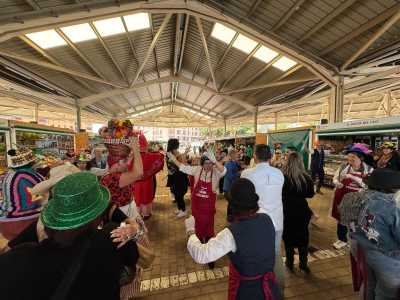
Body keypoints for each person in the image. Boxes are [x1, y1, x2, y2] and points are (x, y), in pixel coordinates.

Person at [0, 172, 140, 300]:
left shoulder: (16, 259)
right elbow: (133, 256)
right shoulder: (111, 236)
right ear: (98, 214)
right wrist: (133, 227)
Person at [185, 178, 281, 300]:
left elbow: (202, 254)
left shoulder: (231, 234)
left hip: (247, 292)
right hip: (271, 288)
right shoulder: (267, 219)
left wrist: (190, 231)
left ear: (233, 206)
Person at [168, 151, 226, 269]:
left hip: (209, 209)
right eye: (206, 163)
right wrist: (173, 158)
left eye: (211, 163)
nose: (209, 166)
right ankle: (198, 252)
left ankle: (209, 257)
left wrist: (215, 161)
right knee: (198, 231)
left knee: (209, 233)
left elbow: (225, 171)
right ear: (202, 163)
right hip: (197, 208)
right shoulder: (197, 170)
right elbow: (182, 167)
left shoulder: (216, 172)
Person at [350, 168, 400, 300]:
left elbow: (351, 227)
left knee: (369, 286)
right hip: (389, 262)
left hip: (366, 253)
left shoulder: (357, 198)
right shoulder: (392, 207)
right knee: (385, 294)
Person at [241, 144, 285, 293]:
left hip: (258, 221)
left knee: (256, 253)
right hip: (277, 221)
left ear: (255, 156)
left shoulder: (247, 173)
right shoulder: (279, 174)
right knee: (276, 254)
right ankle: (278, 290)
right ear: (271, 157)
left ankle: (260, 287)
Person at [332, 143, 373, 250]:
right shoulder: (344, 167)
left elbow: (369, 185)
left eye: (353, 156)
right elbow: (335, 178)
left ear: (361, 158)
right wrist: (337, 183)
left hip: (359, 199)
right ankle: (342, 239)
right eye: (349, 156)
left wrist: (353, 178)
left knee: (356, 220)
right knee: (341, 219)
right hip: (342, 197)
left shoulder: (369, 170)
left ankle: (355, 239)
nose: (350, 158)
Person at [0, 148, 45, 240]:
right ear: (31, 162)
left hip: (5, 220)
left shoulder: (8, 175)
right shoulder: (32, 175)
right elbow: (44, 195)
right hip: (25, 223)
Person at [282, 152, 315, 273]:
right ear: (300, 162)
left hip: (286, 210)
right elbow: (310, 194)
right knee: (303, 237)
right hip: (302, 210)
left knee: (288, 236)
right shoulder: (306, 177)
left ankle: (289, 262)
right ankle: (303, 263)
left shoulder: (282, 177)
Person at [166, 138, 189, 218]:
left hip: (179, 176)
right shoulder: (170, 153)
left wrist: (184, 154)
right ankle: (180, 209)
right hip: (174, 176)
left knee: (179, 194)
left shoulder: (174, 153)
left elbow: (183, 164)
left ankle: (183, 210)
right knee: (176, 193)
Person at [223, 149, 241, 221]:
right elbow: (230, 176)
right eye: (236, 154)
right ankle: (230, 218)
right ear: (232, 155)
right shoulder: (228, 164)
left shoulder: (234, 162)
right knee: (231, 203)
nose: (238, 155)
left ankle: (231, 217)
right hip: (228, 188)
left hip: (232, 187)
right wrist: (239, 173)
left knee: (232, 203)